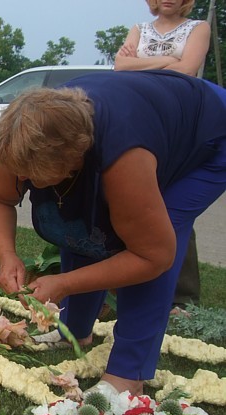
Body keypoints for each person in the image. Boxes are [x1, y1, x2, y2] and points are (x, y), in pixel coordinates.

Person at [0, 71, 226, 396]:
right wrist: (6, 255)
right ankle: (75, 331)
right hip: (148, 115)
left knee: (161, 231)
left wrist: (65, 283)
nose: (21, 178)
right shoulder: (25, 133)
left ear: (75, 158)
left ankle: (127, 373)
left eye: (29, 174)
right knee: (79, 224)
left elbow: (152, 257)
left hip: (209, 136)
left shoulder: (123, 157)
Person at [115, 0, 210, 313]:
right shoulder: (139, 29)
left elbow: (188, 70)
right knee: (131, 201)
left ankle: (181, 297)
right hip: (139, 118)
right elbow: (120, 67)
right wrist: (169, 59)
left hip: (179, 123)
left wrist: (140, 62)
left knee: (174, 207)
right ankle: (125, 282)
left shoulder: (199, 28)